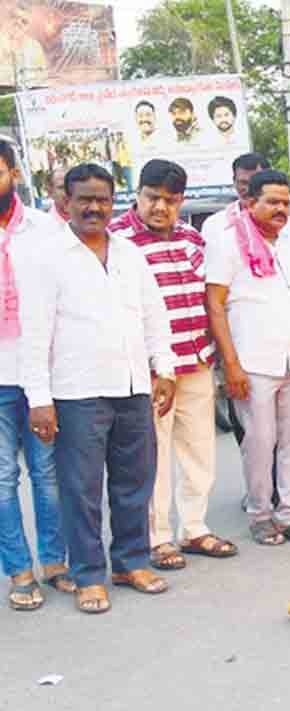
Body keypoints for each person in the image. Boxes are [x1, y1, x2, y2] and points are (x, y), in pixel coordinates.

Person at [22, 162, 178, 614]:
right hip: (77, 392)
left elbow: (154, 316)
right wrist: (39, 400)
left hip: (132, 388)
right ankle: (89, 574)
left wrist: (163, 368)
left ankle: (131, 562)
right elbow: (35, 334)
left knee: (135, 481)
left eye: (103, 199)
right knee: (81, 488)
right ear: (65, 202)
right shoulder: (47, 257)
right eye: (84, 199)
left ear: (114, 203)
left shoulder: (130, 253)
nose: (94, 207)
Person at [107, 159, 235, 572]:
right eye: (153, 198)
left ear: (182, 201)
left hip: (196, 362)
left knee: (200, 451)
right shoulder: (116, 242)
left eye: (170, 200)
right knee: (153, 457)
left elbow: (209, 301)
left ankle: (194, 528)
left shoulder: (191, 240)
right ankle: (157, 537)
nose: (160, 207)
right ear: (137, 195)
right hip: (152, 373)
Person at [206, 169, 290, 548]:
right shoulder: (227, 244)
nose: (281, 209)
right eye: (272, 201)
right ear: (249, 202)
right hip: (253, 364)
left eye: (286, 203)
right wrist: (231, 365)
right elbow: (216, 306)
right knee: (258, 443)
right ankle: (259, 514)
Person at [0, 140, 71, 611]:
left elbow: (66, 298)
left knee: (48, 474)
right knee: (3, 478)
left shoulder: (48, 231)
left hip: (41, 372)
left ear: (14, 173)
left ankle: (55, 562)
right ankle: (19, 570)